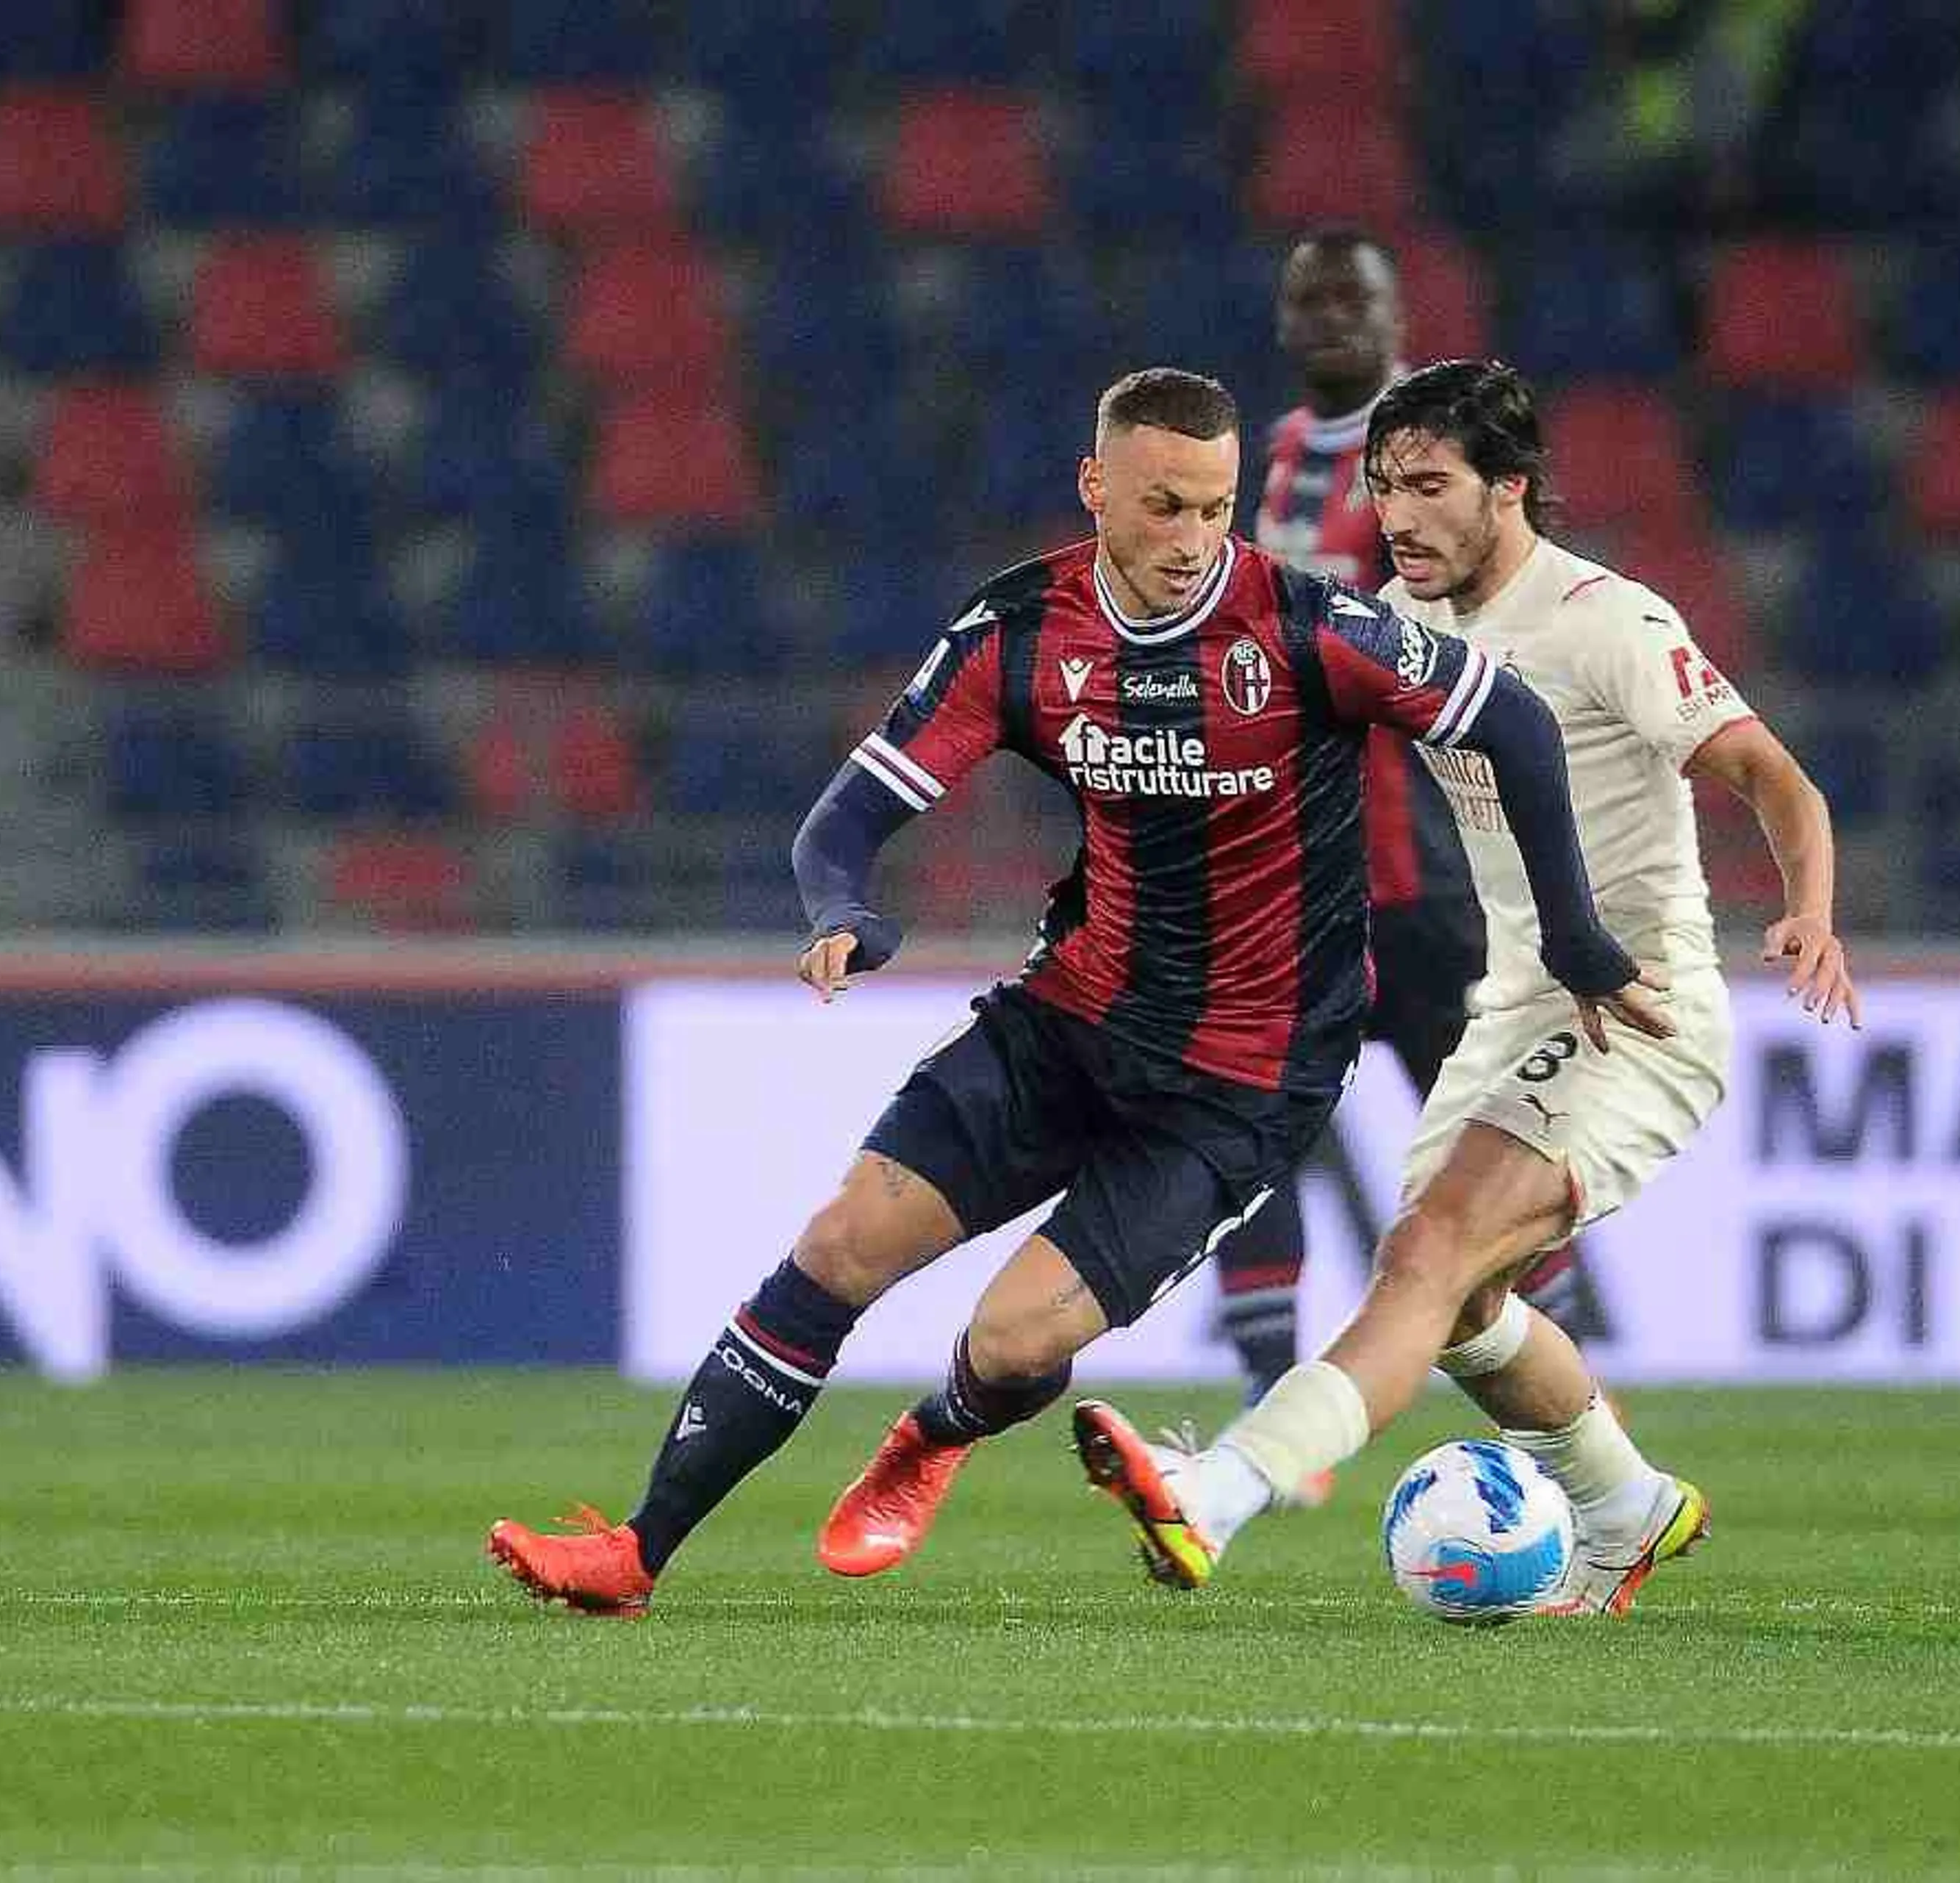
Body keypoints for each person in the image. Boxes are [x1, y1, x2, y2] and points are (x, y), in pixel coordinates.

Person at [486, 367, 1665, 1614]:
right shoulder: (1021, 633)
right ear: (1097, 488)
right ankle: (633, 1551)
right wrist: (842, 906)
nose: (1194, 542)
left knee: (1012, 1344)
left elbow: (1519, 725)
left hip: (1238, 1082)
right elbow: (847, 820)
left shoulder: (1312, 629)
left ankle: (934, 1433)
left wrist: (1577, 937)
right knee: (840, 1245)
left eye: (1216, 510)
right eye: (1164, 507)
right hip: (1070, 1020)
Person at [1074, 359, 1861, 1616]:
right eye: (1385, 488)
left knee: (1430, 1255)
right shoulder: (1402, 623)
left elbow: (1779, 780)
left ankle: (1213, 1493)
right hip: (1517, 1009)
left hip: (1636, 1011)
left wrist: (1809, 913)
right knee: (1458, 1297)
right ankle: (1627, 1502)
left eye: (1431, 486)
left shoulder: (1610, 620)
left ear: (1512, 490)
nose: (1399, 515)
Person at [1223, 227, 1607, 1417]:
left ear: (1400, 322)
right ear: (1286, 323)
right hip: (1293, 885)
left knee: (1498, 1167)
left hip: (1428, 879)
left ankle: (1573, 1408)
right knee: (1245, 1126)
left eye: (1356, 298)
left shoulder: (1441, 460)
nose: (1332, 315)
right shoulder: (1277, 457)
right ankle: (1268, 1413)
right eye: (1311, 298)